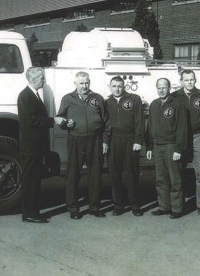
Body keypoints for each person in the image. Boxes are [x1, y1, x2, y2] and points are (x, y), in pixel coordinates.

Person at [57, 71, 110, 219]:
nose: (84, 86)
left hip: (95, 139)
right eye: (81, 83)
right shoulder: (68, 99)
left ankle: (95, 207)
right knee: (73, 174)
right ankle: (74, 209)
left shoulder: (98, 98)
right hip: (76, 140)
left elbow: (106, 121)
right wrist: (66, 123)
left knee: (95, 175)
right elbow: (60, 117)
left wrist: (105, 141)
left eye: (86, 83)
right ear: (75, 84)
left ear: (89, 82)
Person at [17, 67, 65, 224]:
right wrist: (54, 120)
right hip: (31, 147)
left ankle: (33, 211)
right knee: (30, 180)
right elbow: (33, 121)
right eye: (41, 78)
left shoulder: (33, 95)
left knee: (35, 179)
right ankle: (29, 213)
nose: (44, 80)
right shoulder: (26, 96)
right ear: (32, 79)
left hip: (35, 146)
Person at [146, 78, 188, 219]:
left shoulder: (177, 104)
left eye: (164, 87)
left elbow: (182, 128)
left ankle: (177, 208)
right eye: (159, 87)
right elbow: (150, 127)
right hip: (157, 147)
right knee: (160, 179)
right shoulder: (154, 104)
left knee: (174, 178)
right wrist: (150, 147)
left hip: (171, 146)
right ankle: (164, 206)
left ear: (169, 88)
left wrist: (178, 149)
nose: (161, 90)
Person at [173, 69, 200, 217]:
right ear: (181, 81)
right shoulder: (175, 96)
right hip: (180, 138)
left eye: (192, 80)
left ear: (195, 80)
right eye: (186, 80)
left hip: (198, 136)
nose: (189, 82)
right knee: (178, 171)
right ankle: (179, 205)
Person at [105, 76, 145, 217]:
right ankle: (118, 205)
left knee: (132, 174)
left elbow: (140, 121)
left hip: (130, 139)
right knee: (115, 174)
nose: (117, 89)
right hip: (114, 140)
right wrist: (106, 141)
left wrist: (138, 140)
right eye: (114, 86)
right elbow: (105, 124)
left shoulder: (134, 99)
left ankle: (135, 205)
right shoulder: (107, 102)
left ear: (124, 86)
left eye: (120, 86)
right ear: (110, 87)